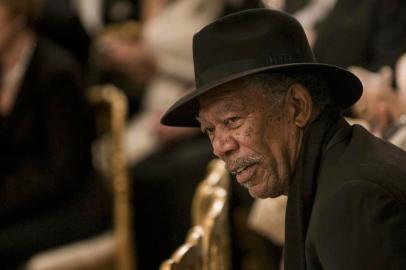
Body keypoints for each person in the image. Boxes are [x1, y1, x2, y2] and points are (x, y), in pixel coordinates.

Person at [160, 8, 406, 270]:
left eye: (232, 121)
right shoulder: (332, 166)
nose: (221, 147)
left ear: (298, 106)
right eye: (210, 130)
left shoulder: (351, 202)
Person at [0, 0, 111, 268]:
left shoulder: (56, 71)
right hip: (23, 206)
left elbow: (64, 172)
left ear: (17, 16)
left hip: (70, 207)